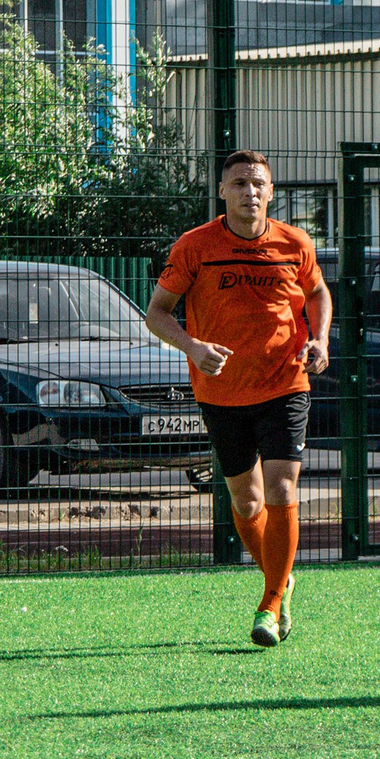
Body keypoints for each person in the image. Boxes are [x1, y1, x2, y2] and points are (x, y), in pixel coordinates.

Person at [146, 150, 330, 648]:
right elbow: (157, 312)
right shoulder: (195, 247)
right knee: (246, 500)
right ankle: (282, 576)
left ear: (271, 192)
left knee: (282, 489)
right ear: (222, 192)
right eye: (240, 183)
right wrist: (192, 345)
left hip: (285, 384)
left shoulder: (295, 242)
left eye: (259, 184)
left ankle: (271, 602)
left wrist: (321, 339)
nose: (251, 191)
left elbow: (318, 293)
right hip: (221, 390)